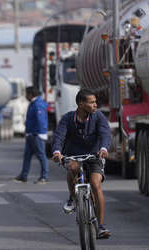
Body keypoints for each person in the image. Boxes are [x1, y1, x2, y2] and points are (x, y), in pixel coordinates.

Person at [51, 89, 111, 239]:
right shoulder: (67, 119)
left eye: (95, 102)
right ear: (81, 104)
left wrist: (104, 148)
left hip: (94, 155)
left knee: (95, 184)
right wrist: (57, 152)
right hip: (73, 155)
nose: (95, 105)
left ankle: (101, 227)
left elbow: (105, 134)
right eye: (91, 102)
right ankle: (73, 198)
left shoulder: (98, 117)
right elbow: (59, 136)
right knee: (72, 168)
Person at [14, 86, 49, 184]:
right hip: (31, 134)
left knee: (41, 155)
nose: (26, 96)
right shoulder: (33, 103)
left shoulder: (38, 104)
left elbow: (40, 121)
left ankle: (44, 177)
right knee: (27, 156)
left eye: (26, 94)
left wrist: (36, 133)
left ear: (30, 94)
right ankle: (23, 175)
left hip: (36, 134)